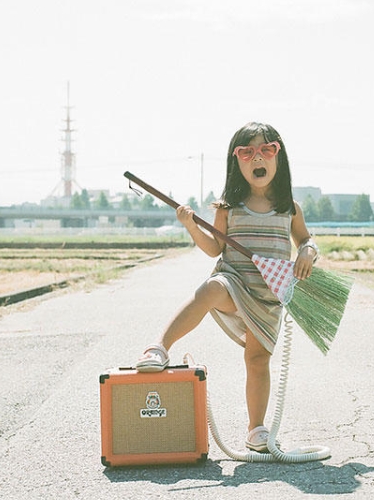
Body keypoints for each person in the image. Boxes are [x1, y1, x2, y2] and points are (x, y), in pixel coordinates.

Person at [136, 122, 319, 452]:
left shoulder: (289, 207)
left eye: (267, 150)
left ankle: (256, 429)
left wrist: (307, 250)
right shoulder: (227, 207)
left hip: (269, 296)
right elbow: (213, 249)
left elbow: (305, 238)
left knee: (258, 360)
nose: (257, 158)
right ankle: (159, 347)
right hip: (234, 282)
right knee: (211, 288)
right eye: (246, 152)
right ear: (236, 161)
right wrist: (191, 226)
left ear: (279, 156)